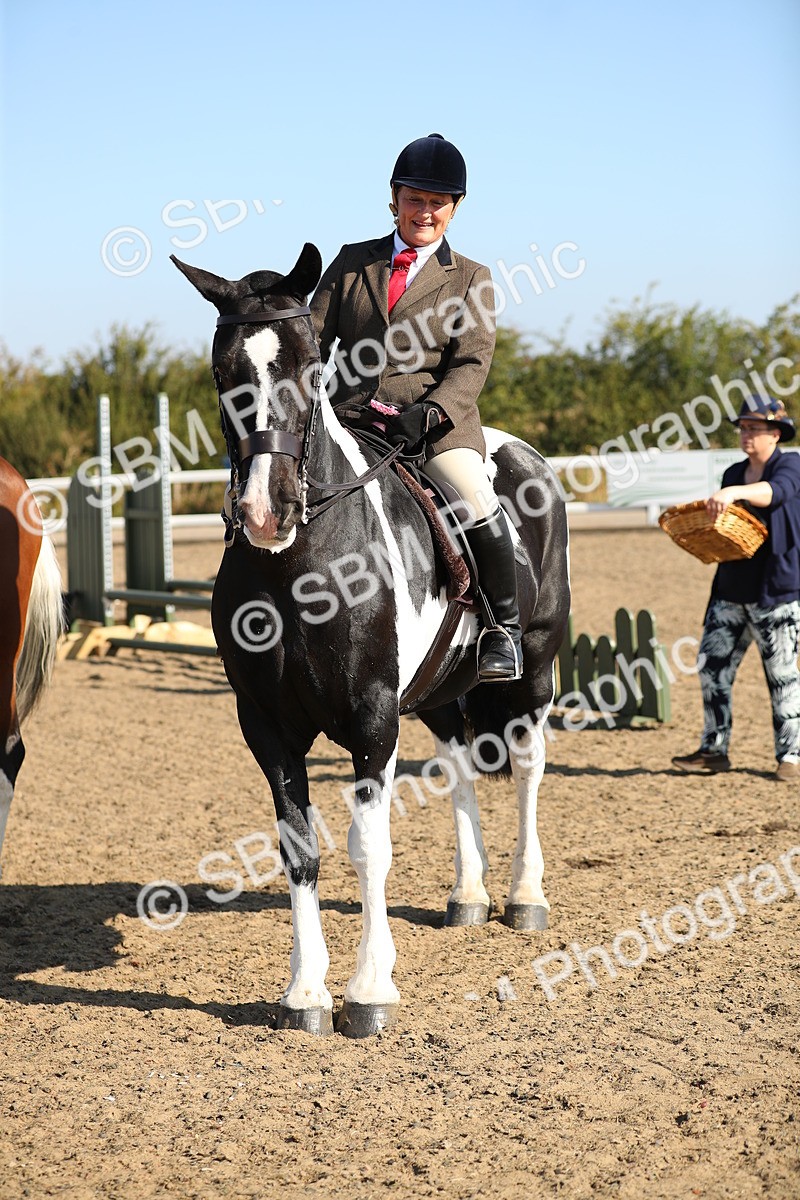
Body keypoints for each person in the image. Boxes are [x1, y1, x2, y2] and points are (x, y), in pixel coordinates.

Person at [311, 133, 522, 682]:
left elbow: (471, 364)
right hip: (352, 419)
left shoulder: (471, 277)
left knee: (474, 497)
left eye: (437, 202)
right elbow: (312, 341)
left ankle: (503, 630)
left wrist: (431, 412)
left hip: (432, 428)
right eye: (414, 199)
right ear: (394, 198)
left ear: (455, 208)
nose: (424, 212)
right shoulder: (352, 262)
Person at [672, 395, 800, 781]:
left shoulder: (791, 465)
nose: (745, 434)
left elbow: (777, 492)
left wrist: (734, 493)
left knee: (781, 677)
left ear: (775, 434)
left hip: (776, 592)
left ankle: (791, 756)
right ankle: (714, 750)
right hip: (729, 588)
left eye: (753, 428)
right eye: (742, 428)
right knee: (712, 669)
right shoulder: (733, 472)